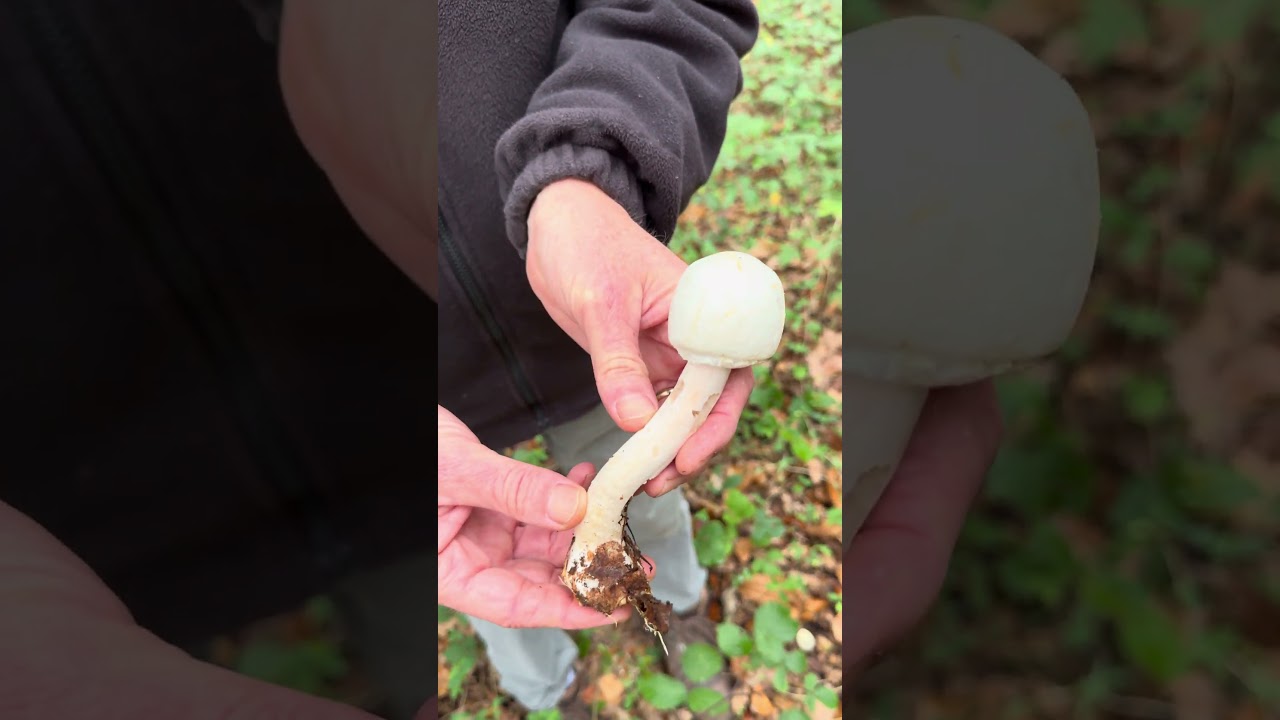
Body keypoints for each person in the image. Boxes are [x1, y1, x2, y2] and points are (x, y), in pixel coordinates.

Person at [0, 3, 1003, 720]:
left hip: (502, 385)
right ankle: (542, 691)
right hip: (141, 505)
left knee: (622, 515)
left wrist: (580, 177)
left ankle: (676, 609)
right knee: (487, 614)